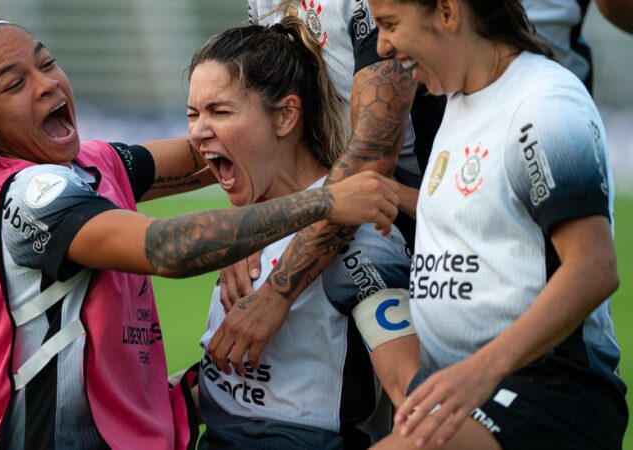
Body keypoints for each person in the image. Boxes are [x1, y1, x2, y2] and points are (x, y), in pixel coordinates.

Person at [0, 19, 402, 450]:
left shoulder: (95, 164)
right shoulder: (30, 197)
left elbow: (231, 145)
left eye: (47, 63)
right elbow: (167, 248)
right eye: (13, 84)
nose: (45, 84)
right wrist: (324, 201)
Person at [363, 0, 626, 449]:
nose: (382, 45)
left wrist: (479, 372)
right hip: (466, 388)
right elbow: (484, 214)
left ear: (448, 12)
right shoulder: (459, 99)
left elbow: (593, 269)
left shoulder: (544, 103)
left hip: (544, 393)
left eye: (389, 24)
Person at [187, 18, 419, 449]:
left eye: (219, 111)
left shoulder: (355, 236)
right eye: (193, 114)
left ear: (286, 116)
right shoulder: (244, 228)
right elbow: (247, 390)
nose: (198, 132)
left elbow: (415, 402)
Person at [207, 0, 446, 379]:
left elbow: (371, 155)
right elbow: (259, 112)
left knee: (423, 398)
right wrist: (247, 222)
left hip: (424, 217)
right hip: (340, 200)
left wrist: (275, 296)